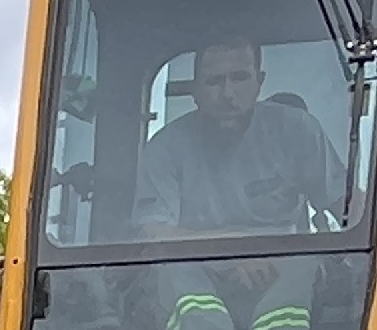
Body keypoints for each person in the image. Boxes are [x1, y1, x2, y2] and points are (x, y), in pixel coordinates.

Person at [130, 34, 344, 242]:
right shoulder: (166, 148)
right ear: (195, 90)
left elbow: (348, 207)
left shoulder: (297, 131)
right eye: (214, 81)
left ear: (259, 82)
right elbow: (152, 232)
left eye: (240, 78)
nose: (227, 94)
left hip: (292, 271)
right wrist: (225, 255)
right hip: (192, 271)